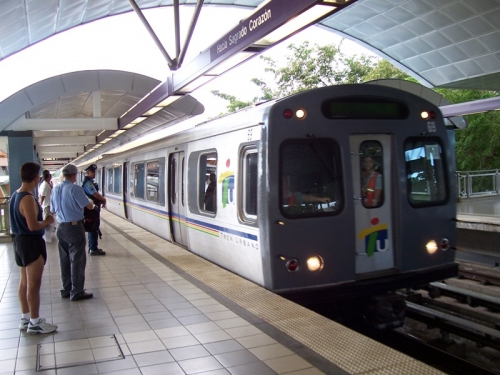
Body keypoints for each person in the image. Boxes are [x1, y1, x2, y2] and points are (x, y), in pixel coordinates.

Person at [9, 162, 57, 334]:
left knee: (24, 283)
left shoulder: (15, 195)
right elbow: (33, 226)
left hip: (19, 242)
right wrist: (48, 221)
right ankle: (35, 322)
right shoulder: (27, 198)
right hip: (31, 243)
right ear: (36, 177)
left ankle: (25, 318)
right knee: (33, 285)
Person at [51, 163, 97, 301]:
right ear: (74, 175)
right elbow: (88, 205)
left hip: (61, 228)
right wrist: (92, 203)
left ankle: (66, 289)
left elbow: (52, 209)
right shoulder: (74, 189)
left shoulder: (56, 189)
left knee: (64, 260)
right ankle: (77, 291)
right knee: (77, 260)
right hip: (74, 227)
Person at [81, 164, 106, 256]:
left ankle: (93, 247)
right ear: (87, 173)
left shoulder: (89, 182)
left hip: (93, 207)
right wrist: (103, 199)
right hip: (92, 208)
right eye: (92, 172)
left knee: (94, 226)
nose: (94, 173)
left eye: (94, 172)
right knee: (93, 227)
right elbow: (94, 194)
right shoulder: (88, 183)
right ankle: (92, 248)